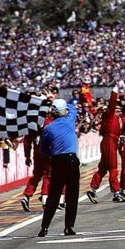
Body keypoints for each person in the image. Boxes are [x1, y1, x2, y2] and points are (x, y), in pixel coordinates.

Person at [38, 90, 80, 237]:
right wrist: (56, 98)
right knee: (72, 195)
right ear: (63, 111)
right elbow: (73, 108)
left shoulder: (48, 128)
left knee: (54, 195)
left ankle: (44, 227)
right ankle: (69, 227)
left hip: (57, 161)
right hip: (71, 160)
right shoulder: (70, 120)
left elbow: (43, 149)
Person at [86, 85, 123, 204]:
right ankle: (116, 193)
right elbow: (112, 104)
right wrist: (115, 91)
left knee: (102, 168)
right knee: (113, 168)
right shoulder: (110, 115)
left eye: (119, 109)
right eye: (116, 108)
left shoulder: (117, 119)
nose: (118, 110)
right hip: (109, 143)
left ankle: (93, 190)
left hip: (111, 143)